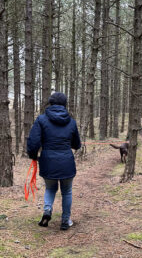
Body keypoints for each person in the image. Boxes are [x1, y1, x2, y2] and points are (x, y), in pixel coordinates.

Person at [27, 92, 81, 230]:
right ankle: (65, 220)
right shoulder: (71, 121)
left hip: (47, 161)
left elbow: (33, 142)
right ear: (64, 104)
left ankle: (47, 210)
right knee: (67, 191)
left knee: (50, 188)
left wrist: (33, 156)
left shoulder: (41, 120)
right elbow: (76, 144)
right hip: (66, 162)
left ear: (50, 104)